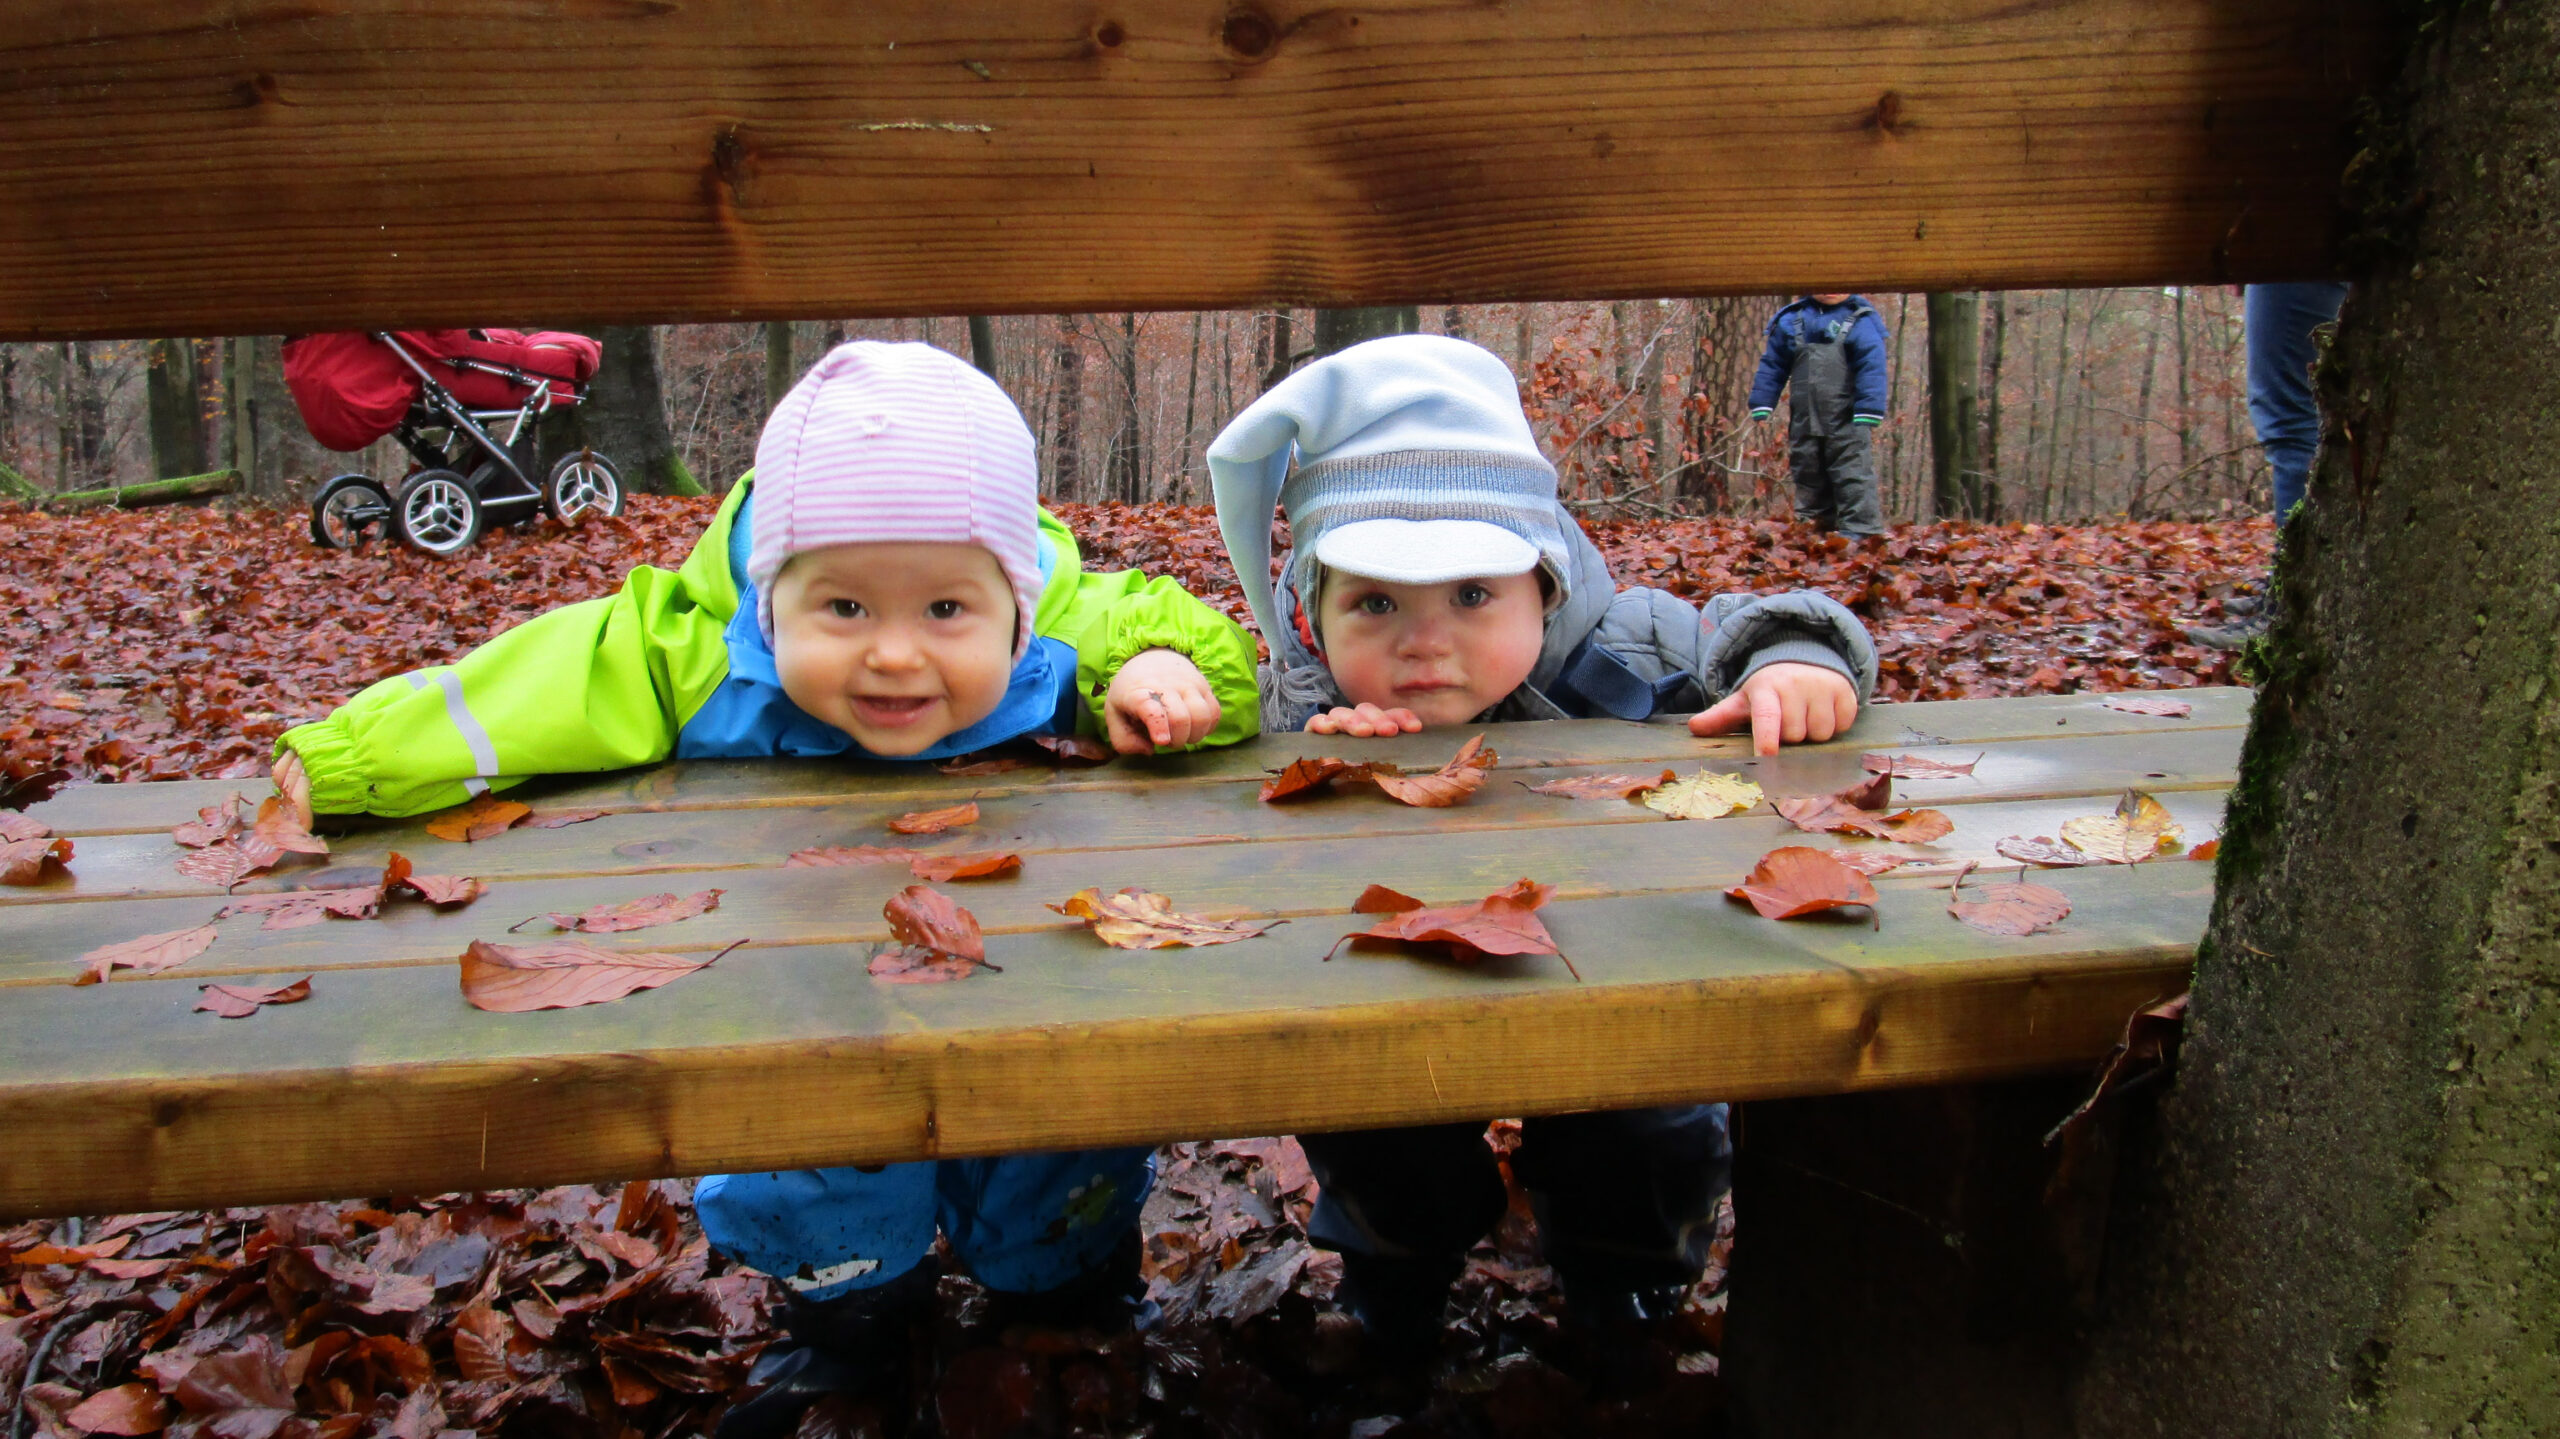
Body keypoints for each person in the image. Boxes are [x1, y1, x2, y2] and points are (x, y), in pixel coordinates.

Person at [272, 341, 1263, 1437]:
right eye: (841, 607)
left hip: (1028, 976)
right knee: (810, 1156)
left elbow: (1174, 629)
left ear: (1017, 604)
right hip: (797, 983)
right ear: (771, 594)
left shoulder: (1064, 632)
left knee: (1059, 1139)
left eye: (945, 611)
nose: (894, 653)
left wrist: (1168, 674)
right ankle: (848, 1320)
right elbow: (515, 692)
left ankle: (1060, 1296)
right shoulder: (688, 650)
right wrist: (349, 764)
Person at [1206, 334, 1878, 1373]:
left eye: (1472, 595)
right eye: (1375, 601)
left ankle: (1627, 1283)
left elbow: (1774, 617)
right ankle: (1395, 1275)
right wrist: (1315, 755)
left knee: (1648, 1123)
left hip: (1617, 964)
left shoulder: (1626, 646)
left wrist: (1796, 661)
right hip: (1401, 981)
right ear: (1312, 606)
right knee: (1375, 1118)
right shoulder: (1308, 698)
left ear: (1546, 583)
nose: (1424, 640)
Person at [2185, 280, 2350, 650]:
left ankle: (2295, 601)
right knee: (2308, 411)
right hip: (2313, 243)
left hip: (2296, 244)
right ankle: (2296, 581)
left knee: (2290, 416)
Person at [1746, 292, 1892, 537]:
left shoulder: (1861, 319)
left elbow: (1872, 365)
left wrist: (1870, 407)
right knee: (1807, 469)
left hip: (1847, 419)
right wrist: (1762, 400)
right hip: (1804, 417)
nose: (1829, 289)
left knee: (1852, 472)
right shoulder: (1792, 319)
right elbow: (1773, 364)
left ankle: (1861, 530)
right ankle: (1815, 526)